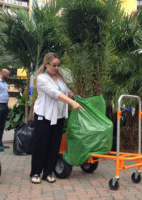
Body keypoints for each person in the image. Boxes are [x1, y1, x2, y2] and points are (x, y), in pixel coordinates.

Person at [30, 52, 84, 184]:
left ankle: (48, 173)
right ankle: (36, 173)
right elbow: (56, 94)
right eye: (53, 65)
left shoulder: (59, 80)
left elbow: (66, 92)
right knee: (41, 145)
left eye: (58, 65)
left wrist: (75, 97)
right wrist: (72, 103)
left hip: (58, 117)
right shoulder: (42, 79)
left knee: (54, 146)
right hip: (44, 117)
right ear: (47, 64)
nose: (56, 68)